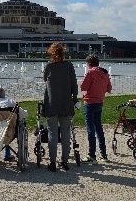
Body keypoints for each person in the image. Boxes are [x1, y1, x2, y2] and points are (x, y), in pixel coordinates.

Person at [43, 42, 78, 172]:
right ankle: (64, 162)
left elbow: (44, 79)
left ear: (51, 53)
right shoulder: (69, 66)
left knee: (52, 133)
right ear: (64, 53)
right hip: (66, 104)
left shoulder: (49, 66)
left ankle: (52, 162)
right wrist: (74, 98)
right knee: (65, 133)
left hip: (52, 104)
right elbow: (74, 85)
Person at [80, 54, 112, 163]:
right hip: (99, 102)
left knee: (90, 129)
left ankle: (92, 155)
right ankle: (103, 154)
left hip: (89, 102)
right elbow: (109, 88)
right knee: (99, 128)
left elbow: (83, 87)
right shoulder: (105, 73)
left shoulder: (90, 72)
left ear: (89, 63)